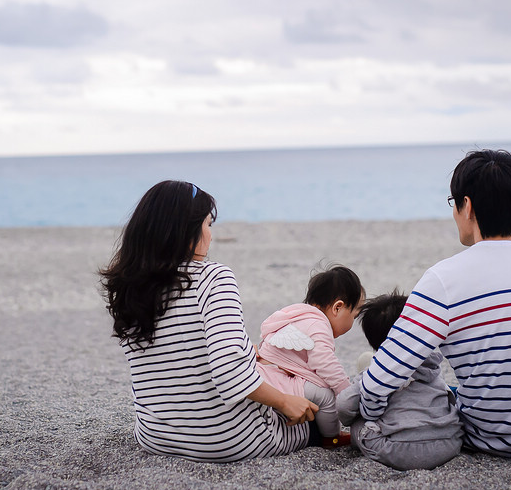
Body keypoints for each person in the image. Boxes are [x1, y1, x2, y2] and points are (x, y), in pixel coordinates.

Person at [359, 149, 511, 458]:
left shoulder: (443, 279)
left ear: (467, 206)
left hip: (491, 439)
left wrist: (369, 413)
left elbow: (380, 380)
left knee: (426, 395)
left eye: (453, 204)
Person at [99, 180, 318, 462]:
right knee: (312, 414)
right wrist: (285, 401)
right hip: (227, 440)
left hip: (156, 436)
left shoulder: (129, 288)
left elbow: (172, 352)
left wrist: (244, 350)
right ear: (187, 232)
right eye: (208, 224)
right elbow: (230, 374)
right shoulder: (214, 278)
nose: (211, 236)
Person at [337, 291, 464, 470]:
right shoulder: (431, 367)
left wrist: (354, 418)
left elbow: (343, 405)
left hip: (399, 450)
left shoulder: (377, 372)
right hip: (448, 444)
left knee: (359, 426)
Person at [255, 266, 364, 446]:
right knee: (326, 396)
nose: (353, 322)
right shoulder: (318, 324)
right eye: (354, 315)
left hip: (265, 371)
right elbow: (323, 363)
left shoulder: (297, 315)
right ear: (338, 308)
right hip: (276, 377)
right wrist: (345, 390)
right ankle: (332, 437)